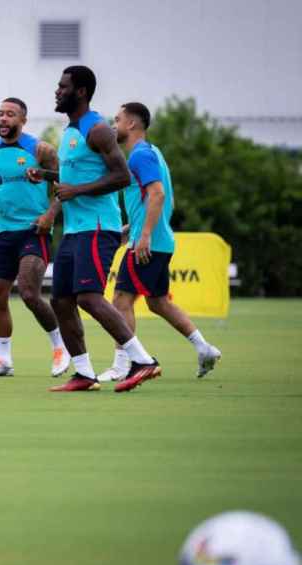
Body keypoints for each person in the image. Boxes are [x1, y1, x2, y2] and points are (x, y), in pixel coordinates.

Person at [28, 66, 160, 393]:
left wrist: (77, 191)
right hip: (74, 230)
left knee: (88, 297)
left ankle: (143, 360)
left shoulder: (97, 129)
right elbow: (74, 178)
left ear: (81, 92)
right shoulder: (71, 131)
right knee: (60, 301)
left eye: (63, 87)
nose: (57, 91)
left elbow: (122, 177)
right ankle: (84, 373)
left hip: (99, 228)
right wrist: (46, 176)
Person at [100, 102, 221, 381]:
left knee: (120, 300)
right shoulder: (152, 152)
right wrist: (132, 228)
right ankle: (204, 348)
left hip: (148, 245)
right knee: (158, 303)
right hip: (156, 240)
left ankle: (123, 365)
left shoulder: (139, 156)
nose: (113, 125)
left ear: (131, 124)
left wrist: (143, 236)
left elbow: (158, 195)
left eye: (117, 120)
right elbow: (154, 199)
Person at [0, 97, 70, 378]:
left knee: (29, 293)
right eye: (0, 113)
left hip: (34, 230)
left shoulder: (41, 150)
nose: (3, 119)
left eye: (10, 115)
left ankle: (60, 348)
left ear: (23, 120)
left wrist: (50, 215)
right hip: (4, 232)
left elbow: (64, 185)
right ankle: (3, 360)